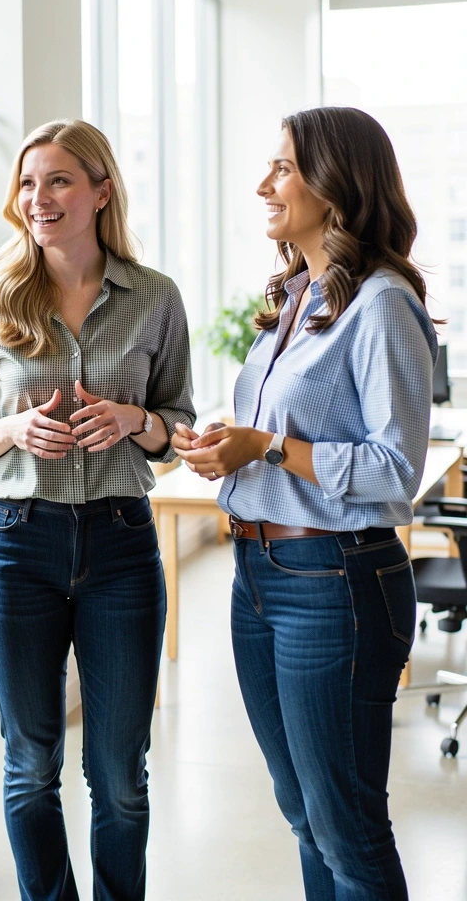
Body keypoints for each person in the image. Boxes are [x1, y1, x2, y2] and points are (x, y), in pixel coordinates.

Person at [173, 106, 437, 901]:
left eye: (282, 168)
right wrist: (232, 443)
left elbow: (396, 470)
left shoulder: (382, 303)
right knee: (302, 813)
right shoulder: (299, 294)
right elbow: (283, 432)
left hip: (337, 580)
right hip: (261, 570)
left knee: (346, 824)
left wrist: (267, 447)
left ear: (335, 185)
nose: (264, 184)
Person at [0, 118, 195, 901]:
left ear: (100, 190)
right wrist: (11, 430)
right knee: (30, 764)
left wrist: (138, 421)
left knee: (120, 773)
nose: (38, 198)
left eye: (58, 180)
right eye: (27, 183)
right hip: (17, 548)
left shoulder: (155, 297)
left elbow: (179, 424)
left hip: (122, 545)